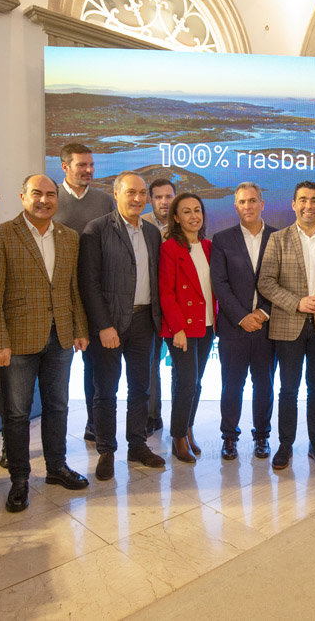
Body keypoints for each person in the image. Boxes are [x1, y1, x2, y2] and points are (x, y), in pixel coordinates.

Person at [0, 174, 91, 513]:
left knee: (58, 406)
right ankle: (20, 478)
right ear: (23, 196)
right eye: (37, 194)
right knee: (17, 413)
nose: (44, 200)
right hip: (16, 342)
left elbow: (72, 288)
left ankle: (56, 467)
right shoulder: (0, 235)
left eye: (50, 194)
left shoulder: (69, 237)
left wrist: (80, 328)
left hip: (61, 337)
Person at [258, 181, 315, 471]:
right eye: (302, 200)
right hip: (288, 324)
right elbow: (266, 282)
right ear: (293, 204)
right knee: (288, 389)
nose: (308, 205)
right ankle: (285, 445)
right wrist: (296, 302)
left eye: (313, 200)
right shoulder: (278, 239)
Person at [78, 172, 165, 480]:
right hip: (109, 324)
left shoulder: (152, 232)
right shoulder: (97, 229)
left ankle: (137, 445)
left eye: (142, 193)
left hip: (145, 322)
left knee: (141, 388)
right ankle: (106, 450)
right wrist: (103, 325)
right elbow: (88, 283)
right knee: (105, 390)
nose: (138, 198)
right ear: (116, 194)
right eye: (131, 192)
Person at [52, 142, 115, 444]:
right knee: (57, 368)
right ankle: (55, 436)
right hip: (58, 297)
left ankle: (94, 423)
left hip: (93, 296)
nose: (88, 170)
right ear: (65, 167)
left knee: (94, 367)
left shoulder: (104, 200)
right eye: (82, 165)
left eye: (91, 165)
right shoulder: (51, 199)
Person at [211, 183, 277, 461]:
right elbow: (220, 284)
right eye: (242, 202)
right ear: (235, 206)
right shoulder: (222, 239)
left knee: (264, 385)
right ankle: (229, 437)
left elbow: (285, 281)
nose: (247, 206)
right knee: (231, 385)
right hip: (233, 328)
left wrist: (262, 313)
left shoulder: (278, 237)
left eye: (252, 201)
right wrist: (242, 317)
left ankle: (262, 436)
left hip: (267, 327)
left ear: (262, 204)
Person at [159, 193, 216, 463]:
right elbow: (166, 292)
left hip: (207, 324)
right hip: (182, 327)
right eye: (186, 211)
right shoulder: (170, 248)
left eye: (197, 210)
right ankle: (178, 437)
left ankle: (188, 428)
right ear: (176, 217)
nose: (194, 216)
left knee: (196, 382)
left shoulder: (208, 246)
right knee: (186, 383)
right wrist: (178, 329)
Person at [142, 177, 175, 435]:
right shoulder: (140, 224)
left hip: (177, 307)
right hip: (149, 306)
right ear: (150, 199)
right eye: (159, 197)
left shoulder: (185, 222)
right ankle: (152, 416)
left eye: (169, 196)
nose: (164, 202)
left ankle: (182, 422)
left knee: (181, 367)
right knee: (150, 364)